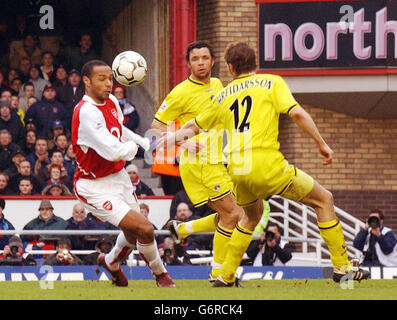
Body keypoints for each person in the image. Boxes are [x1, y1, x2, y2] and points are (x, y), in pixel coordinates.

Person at [157, 42, 370, 286]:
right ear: (255, 64)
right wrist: (322, 144)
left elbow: (194, 125)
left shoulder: (222, 95)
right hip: (267, 164)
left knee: (249, 217)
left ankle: (225, 275)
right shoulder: (272, 82)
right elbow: (298, 113)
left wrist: (173, 139)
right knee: (324, 199)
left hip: (238, 169)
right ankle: (343, 267)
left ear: (229, 67)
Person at [71, 59, 174, 287]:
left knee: (132, 232)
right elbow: (112, 150)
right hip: (93, 185)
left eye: (110, 78)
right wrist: (139, 149)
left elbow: (121, 130)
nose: (108, 83)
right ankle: (161, 276)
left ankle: (111, 263)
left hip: (118, 178)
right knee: (145, 228)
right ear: (86, 81)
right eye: (102, 79)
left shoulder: (112, 103)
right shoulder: (86, 112)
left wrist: (144, 142)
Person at [151, 41, 243, 283]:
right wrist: (183, 144)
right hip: (199, 163)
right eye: (195, 59)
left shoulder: (217, 84)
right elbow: (155, 128)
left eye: (205, 58)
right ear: (188, 63)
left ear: (213, 61)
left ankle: (182, 230)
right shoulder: (180, 92)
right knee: (234, 214)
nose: (200, 62)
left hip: (219, 161)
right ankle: (220, 274)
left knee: (232, 216)